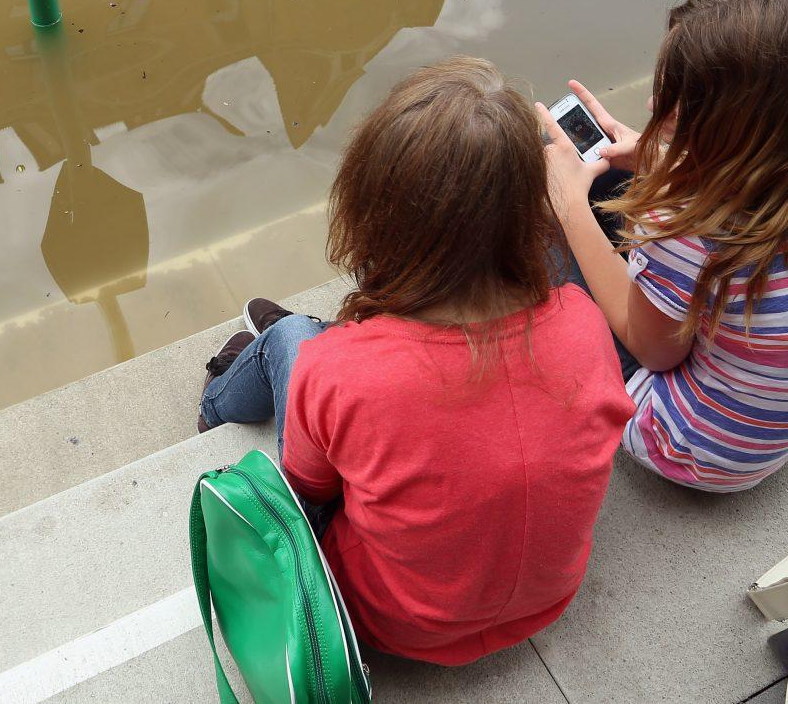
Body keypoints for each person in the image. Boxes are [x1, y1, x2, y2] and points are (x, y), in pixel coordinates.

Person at [196, 56, 634, 665]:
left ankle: (217, 401)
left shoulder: (340, 369)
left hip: (391, 623)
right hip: (547, 600)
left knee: (294, 338)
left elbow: (306, 490)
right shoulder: (583, 319)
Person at [538, 0, 788, 493]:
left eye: (677, 99)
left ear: (736, 125)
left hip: (694, 450)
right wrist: (655, 156)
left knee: (544, 225)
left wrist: (567, 207)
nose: (650, 103)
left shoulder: (684, 224)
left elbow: (655, 354)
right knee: (613, 176)